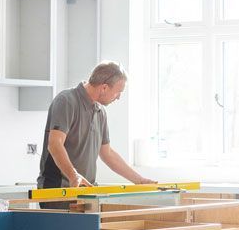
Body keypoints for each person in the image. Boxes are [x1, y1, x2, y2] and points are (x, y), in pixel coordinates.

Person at [37, 61, 156, 209]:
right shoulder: (67, 101)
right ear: (104, 87)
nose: (118, 97)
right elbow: (54, 144)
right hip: (57, 191)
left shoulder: (100, 112)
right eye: (118, 92)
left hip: (86, 192)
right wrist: (74, 175)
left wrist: (139, 181)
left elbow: (107, 154)